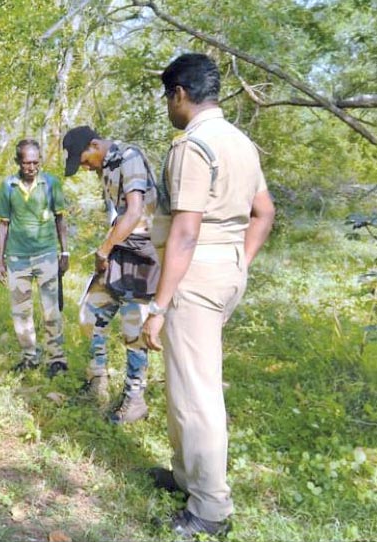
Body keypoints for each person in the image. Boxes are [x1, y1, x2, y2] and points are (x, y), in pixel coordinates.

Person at [142, 53, 275, 537]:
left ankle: (211, 509)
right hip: (226, 270)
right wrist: (239, 261)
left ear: (179, 93)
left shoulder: (193, 147)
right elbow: (264, 213)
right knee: (183, 382)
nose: (167, 107)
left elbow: (185, 233)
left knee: (197, 393)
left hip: (194, 275)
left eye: (167, 97)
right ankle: (186, 477)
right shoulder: (241, 142)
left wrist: (157, 306)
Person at [62, 126, 158, 423]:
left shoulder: (129, 158)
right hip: (119, 249)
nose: (85, 167)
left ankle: (134, 399)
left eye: (84, 160)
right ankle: (97, 381)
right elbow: (117, 216)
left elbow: (134, 212)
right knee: (89, 315)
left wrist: (103, 250)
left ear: (94, 145)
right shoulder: (106, 166)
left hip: (142, 255)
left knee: (133, 330)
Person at [0, 139, 69, 378]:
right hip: (17, 258)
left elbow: (60, 219)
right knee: (21, 312)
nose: (32, 167)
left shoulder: (51, 183)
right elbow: (3, 224)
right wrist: (0, 260)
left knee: (51, 310)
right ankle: (30, 356)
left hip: (46, 255)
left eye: (36, 162)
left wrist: (64, 252)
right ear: (18, 162)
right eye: (27, 162)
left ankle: (56, 359)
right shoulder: (8, 186)